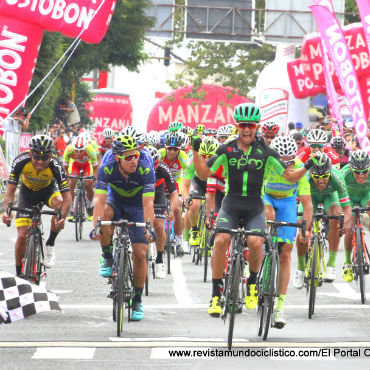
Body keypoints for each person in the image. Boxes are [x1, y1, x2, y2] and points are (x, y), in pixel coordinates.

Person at [192, 102, 316, 318]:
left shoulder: (266, 151)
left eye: (250, 125)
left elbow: (289, 176)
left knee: (256, 242)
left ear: (256, 126)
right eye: (242, 125)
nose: (246, 129)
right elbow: (203, 174)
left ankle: (251, 283)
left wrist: (306, 166)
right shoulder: (226, 149)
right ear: (237, 126)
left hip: (254, 206)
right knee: (221, 240)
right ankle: (215, 294)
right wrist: (195, 151)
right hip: (231, 204)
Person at [93, 135, 155, 321]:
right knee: (105, 215)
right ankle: (107, 255)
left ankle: (137, 299)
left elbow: (148, 203)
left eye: (135, 155)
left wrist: (148, 227)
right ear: (118, 158)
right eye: (128, 157)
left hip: (138, 205)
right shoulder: (107, 167)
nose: (134, 160)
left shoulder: (145, 167)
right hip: (116, 201)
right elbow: (100, 199)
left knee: (141, 254)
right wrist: (96, 224)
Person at [2, 135, 71, 275]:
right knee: (22, 236)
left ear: (51, 156)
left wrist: (61, 218)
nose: (40, 161)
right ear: (29, 154)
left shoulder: (56, 165)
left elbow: (67, 197)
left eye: (45, 158)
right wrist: (7, 212)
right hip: (27, 194)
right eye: (36, 157)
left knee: (59, 205)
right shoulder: (20, 161)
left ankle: (50, 243)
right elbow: (10, 191)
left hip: (48, 192)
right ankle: (18, 275)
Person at [264, 136, 312, 328]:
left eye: (290, 160)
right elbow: (256, 194)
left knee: (285, 253)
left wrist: (304, 229)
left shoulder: (301, 167)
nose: (288, 165)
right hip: (266, 197)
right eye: (282, 161)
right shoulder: (267, 163)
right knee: (265, 217)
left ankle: (279, 306)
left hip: (287, 203)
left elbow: (307, 203)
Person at [293, 153, 352, 287]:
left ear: (330, 173)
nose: (321, 181)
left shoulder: (337, 177)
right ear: (311, 174)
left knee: (336, 217)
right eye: (317, 177)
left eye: (325, 177)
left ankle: (331, 265)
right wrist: (300, 226)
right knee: (302, 229)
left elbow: (347, 208)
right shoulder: (304, 177)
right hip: (309, 198)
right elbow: (295, 204)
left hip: (330, 196)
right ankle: (300, 269)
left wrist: (347, 224)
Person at [148, 146, 179, 278]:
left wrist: (170, 210)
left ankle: (160, 259)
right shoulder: (135, 167)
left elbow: (174, 193)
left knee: (159, 225)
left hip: (158, 192)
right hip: (141, 192)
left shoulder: (163, 168)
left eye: (155, 166)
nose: (153, 170)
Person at [341, 150, 370, 282]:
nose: (361, 175)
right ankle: (347, 263)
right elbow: (337, 192)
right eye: (357, 172)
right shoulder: (344, 173)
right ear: (351, 169)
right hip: (349, 198)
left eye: (365, 171)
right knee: (348, 228)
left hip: (365, 196)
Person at [63, 135, 98, 220]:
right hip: (75, 165)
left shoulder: (90, 150)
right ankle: (71, 209)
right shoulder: (69, 150)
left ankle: (89, 206)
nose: (78, 153)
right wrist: (67, 178)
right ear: (73, 148)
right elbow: (65, 167)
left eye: (81, 151)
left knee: (88, 184)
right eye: (76, 151)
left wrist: (94, 178)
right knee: (71, 183)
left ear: (85, 149)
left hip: (87, 165)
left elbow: (96, 167)